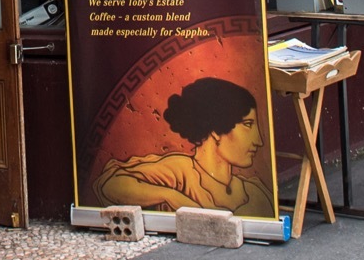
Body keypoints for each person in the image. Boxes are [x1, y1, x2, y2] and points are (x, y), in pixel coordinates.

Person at [94, 76, 273, 216]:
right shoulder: (181, 172)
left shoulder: (255, 191)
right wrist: (172, 196)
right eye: (248, 125)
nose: (259, 141)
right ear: (216, 130)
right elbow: (112, 185)